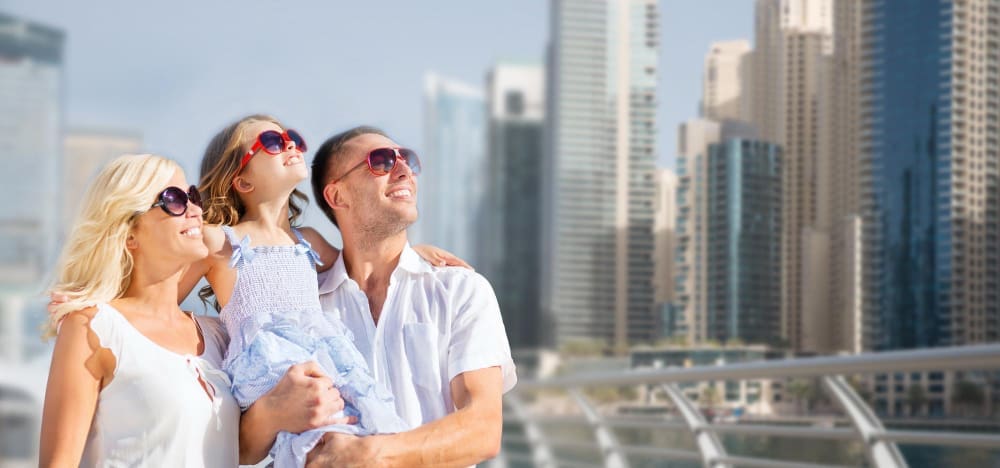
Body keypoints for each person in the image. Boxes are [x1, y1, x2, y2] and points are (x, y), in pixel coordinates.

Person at [183, 114, 467, 467]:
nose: (289, 144)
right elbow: (162, 293)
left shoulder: (309, 241)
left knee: (360, 428)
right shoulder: (220, 241)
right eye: (272, 142)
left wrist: (413, 252)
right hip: (270, 365)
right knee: (319, 441)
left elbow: (364, 260)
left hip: (325, 358)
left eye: (293, 138)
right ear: (241, 180)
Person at [296, 126, 517, 466]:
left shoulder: (461, 290)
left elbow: (483, 428)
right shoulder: (304, 306)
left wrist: (370, 455)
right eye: (381, 162)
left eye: (407, 160)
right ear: (338, 196)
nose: (404, 171)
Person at [39, 154, 239, 467]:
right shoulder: (93, 326)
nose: (196, 210)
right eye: (174, 199)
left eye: (193, 196)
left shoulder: (219, 335)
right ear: (129, 233)